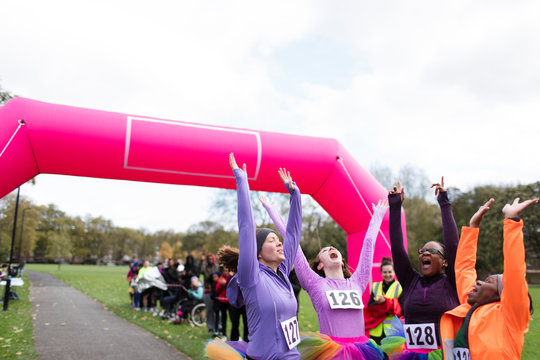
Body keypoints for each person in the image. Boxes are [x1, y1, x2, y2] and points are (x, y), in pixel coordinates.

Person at [261, 195, 387, 360]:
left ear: (342, 262)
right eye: (325, 250)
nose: (331, 248)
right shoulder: (314, 283)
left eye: (333, 248)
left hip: (361, 352)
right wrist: (273, 211)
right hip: (331, 353)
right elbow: (294, 246)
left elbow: (369, 242)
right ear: (320, 265)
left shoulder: (358, 281)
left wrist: (378, 214)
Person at [205, 153, 302, 360]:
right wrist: (242, 182)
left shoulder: (283, 273)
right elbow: (247, 228)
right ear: (257, 252)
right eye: (271, 240)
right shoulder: (251, 276)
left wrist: (295, 197)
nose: (279, 243)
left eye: (278, 240)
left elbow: (292, 234)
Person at [440, 197, 537, 360]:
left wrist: (511, 221)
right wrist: (472, 228)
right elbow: (464, 269)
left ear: (500, 296)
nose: (479, 282)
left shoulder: (510, 316)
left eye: (489, 281)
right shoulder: (471, 305)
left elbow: (515, 272)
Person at [382, 178, 459, 359]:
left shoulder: (452, 282)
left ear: (445, 261)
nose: (425, 253)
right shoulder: (411, 282)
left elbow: (453, 244)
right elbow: (398, 248)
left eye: (432, 251)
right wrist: (395, 207)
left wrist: (444, 202)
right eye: (422, 250)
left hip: (444, 355)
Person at [366, 257, 403, 345]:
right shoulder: (375, 286)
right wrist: (378, 303)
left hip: (393, 331)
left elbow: (402, 310)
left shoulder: (400, 287)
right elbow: (370, 307)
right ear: (381, 273)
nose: (387, 274)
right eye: (385, 272)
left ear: (394, 272)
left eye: (390, 272)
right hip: (376, 331)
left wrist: (385, 302)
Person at [199, 253, 220, 336]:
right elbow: (199, 271)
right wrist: (201, 261)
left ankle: (219, 326)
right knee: (209, 310)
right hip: (207, 291)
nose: (210, 260)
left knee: (219, 311)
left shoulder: (217, 266)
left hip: (217, 291)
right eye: (209, 258)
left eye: (212, 258)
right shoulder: (204, 267)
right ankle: (210, 327)